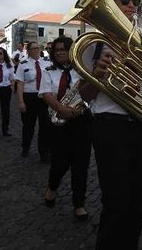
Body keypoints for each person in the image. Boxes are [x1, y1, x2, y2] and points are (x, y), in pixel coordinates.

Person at [79, 0, 142, 249]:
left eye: (134, 1)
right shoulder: (92, 44)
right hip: (110, 126)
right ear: (111, 2)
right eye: (124, 0)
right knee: (116, 200)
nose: (131, 6)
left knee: (139, 199)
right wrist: (97, 74)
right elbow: (84, 95)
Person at [39, 36, 92, 220]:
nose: (59, 52)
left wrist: (78, 111)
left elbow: (91, 95)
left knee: (81, 164)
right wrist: (62, 110)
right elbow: (45, 93)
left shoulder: (83, 71)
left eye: (63, 49)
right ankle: (52, 187)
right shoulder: (48, 71)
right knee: (59, 163)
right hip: (57, 121)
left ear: (71, 50)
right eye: (56, 50)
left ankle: (79, 204)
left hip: (81, 122)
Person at [15, 41, 52, 162]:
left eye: (38, 48)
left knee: (45, 126)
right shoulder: (23, 64)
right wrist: (21, 102)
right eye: (33, 48)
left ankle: (44, 152)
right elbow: (20, 83)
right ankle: (25, 147)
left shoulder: (47, 62)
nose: (36, 50)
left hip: (44, 97)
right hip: (29, 97)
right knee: (28, 126)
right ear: (29, 51)